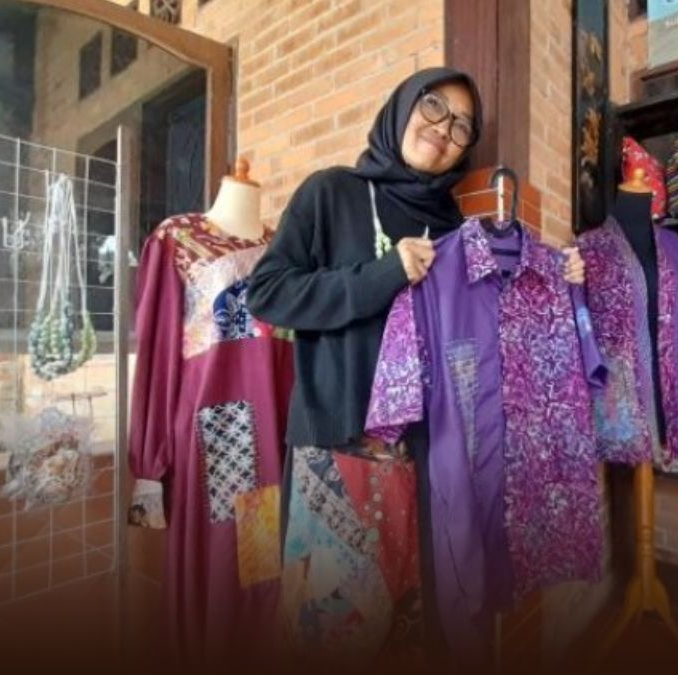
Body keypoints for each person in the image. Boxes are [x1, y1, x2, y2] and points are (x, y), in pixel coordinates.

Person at [247, 67, 584, 666]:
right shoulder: (332, 194)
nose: (444, 130)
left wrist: (562, 281)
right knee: (331, 632)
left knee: (411, 632)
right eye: (433, 107)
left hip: (433, 460)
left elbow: (494, 327)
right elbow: (268, 294)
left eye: (462, 126)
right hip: (340, 450)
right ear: (402, 107)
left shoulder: (456, 229)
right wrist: (383, 274)